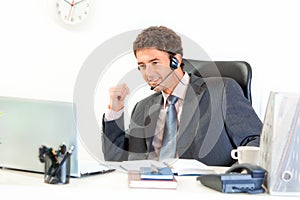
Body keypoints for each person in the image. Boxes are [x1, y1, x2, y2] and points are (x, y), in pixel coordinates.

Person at [101, 26, 262, 166]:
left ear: (175, 60)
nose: (148, 73)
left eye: (155, 62)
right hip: (149, 188)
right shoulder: (143, 107)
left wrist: (232, 177)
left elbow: (257, 141)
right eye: (142, 66)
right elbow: (117, 159)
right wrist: (115, 111)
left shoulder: (221, 91)